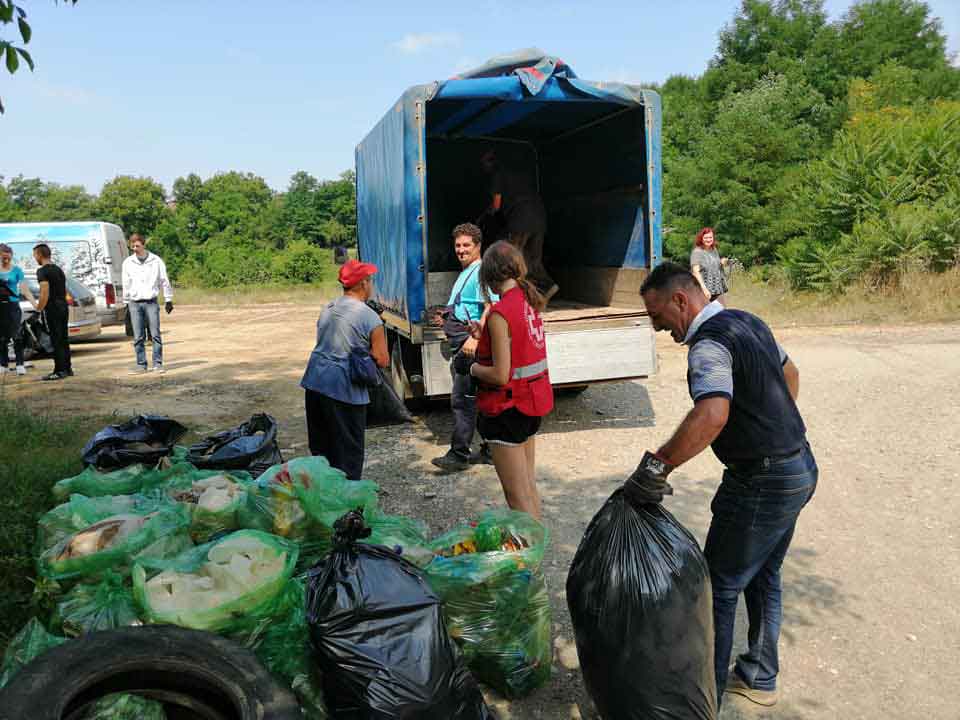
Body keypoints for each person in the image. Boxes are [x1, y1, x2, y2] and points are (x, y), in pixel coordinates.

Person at [627, 262, 816, 708]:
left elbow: (712, 414)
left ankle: (703, 698)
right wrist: (770, 426)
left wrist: (658, 466)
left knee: (718, 585)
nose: (657, 327)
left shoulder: (709, 345)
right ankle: (759, 676)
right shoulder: (748, 322)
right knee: (763, 574)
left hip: (763, 479)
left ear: (680, 300)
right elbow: (790, 374)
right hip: (798, 467)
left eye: (657, 316)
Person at [457, 241, 554, 519]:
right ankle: (537, 543)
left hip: (506, 409)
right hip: (530, 404)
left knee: (516, 497)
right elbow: (519, 347)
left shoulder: (500, 312)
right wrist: (484, 335)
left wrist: (472, 369)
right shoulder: (529, 302)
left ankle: (530, 548)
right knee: (528, 487)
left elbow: (500, 375)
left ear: (488, 275)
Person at [300, 259, 389, 480]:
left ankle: (324, 494)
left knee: (322, 450)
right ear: (363, 283)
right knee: (349, 454)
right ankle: (348, 498)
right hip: (344, 390)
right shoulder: (369, 317)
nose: (371, 285)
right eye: (370, 281)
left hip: (315, 384)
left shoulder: (328, 308)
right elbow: (382, 359)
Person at [431, 223, 497, 472]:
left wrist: (476, 339)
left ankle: (459, 455)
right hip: (462, 339)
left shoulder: (481, 272)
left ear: (478, 246)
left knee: (463, 399)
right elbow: (467, 304)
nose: (461, 250)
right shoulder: (468, 271)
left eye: (466, 245)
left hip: (469, 344)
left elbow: (491, 307)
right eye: (458, 245)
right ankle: (491, 451)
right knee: (476, 397)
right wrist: (448, 317)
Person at [478, 150, 558, 302]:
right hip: (539, 218)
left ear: (490, 162)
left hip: (520, 220)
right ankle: (548, 286)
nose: (483, 166)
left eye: (484, 163)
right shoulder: (518, 174)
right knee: (533, 259)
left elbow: (496, 205)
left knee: (511, 259)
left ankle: (514, 296)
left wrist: (486, 213)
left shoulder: (497, 175)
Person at [121, 234, 174, 374]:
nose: (135, 249)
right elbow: (126, 283)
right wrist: (126, 302)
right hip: (134, 302)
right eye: (132, 246)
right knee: (138, 336)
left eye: (137, 246)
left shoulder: (156, 261)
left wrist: (168, 299)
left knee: (155, 334)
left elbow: (164, 280)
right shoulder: (128, 263)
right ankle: (141, 365)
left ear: (144, 245)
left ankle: (158, 363)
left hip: (151, 302)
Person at [32, 243, 73, 381]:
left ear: (39, 254)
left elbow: (44, 293)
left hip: (53, 308)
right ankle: (67, 369)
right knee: (63, 338)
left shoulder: (42, 271)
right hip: (63, 306)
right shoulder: (58, 269)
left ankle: (59, 370)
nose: (35, 258)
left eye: (35, 255)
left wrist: (38, 309)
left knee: (56, 338)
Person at [0, 243, 35, 377]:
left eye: (9, 258)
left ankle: (20, 364)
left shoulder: (17, 271)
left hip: (13, 306)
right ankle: (3, 364)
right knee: (2, 337)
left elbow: (24, 289)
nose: (6, 260)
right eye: (3, 258)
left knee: (17, 335)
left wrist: (35, 304)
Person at [690, 227, 729, 304]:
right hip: (704, 291)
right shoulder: (697, 252)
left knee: (721, 310)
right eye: (706, 238)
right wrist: (704, 289)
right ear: (701, 238)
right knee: (706, 311)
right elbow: (696, 272)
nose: (708, 240)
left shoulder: (714, 250)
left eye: (710, 237)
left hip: (717, 289)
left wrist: (721, 262)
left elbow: (714, 265)